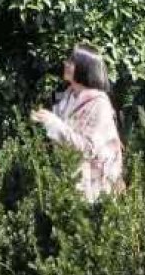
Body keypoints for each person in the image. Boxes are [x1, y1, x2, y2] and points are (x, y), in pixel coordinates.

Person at [30, 43, 124, 202]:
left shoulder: (99, 104)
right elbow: (62, 135)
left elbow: (88, 148)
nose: (66, 64)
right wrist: (42, 121)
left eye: (72, 61)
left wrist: (53, 123)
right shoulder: (68, 96)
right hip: (69, 179)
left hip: (93, 189)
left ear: (85, 68)